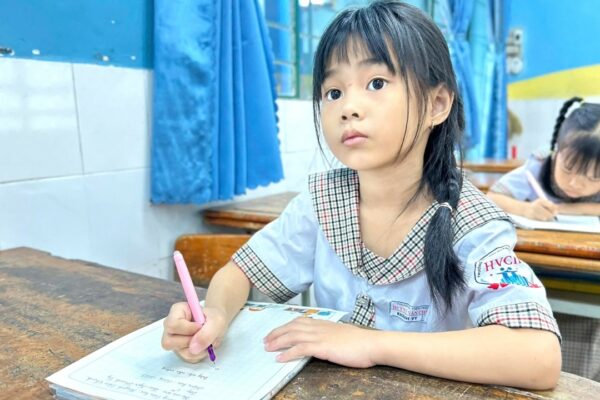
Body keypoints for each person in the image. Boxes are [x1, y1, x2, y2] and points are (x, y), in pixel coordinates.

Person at [162, 0, 561, 390]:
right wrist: (214, 315)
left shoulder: (470, 222)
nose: (348, 107)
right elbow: (240, 273)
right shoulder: (322, 202)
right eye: (333, 92)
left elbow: (538, 356)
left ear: (436, 104)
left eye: (376, 83)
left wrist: (371, 344)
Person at [488, 97, 600, 221]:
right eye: (568, 169)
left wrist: (566, 208)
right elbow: (492, 198)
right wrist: (525, 209)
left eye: (594, 177)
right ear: (556, 151)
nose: (575, 184)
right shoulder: (538, 167)